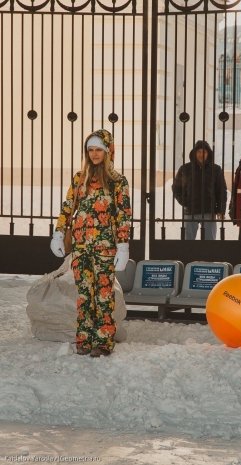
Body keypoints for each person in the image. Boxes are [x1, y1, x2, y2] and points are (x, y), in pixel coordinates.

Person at [50, 129, 132, 357]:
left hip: (105, 248)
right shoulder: (79, 179)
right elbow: (68, 208)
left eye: (99, 150)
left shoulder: (118, 182)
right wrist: (59, 233)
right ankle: (84, 339)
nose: (94, 154)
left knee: (103, 295)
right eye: (90, 150)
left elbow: (123, 216)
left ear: (108, 151)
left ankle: (103, 341)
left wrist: (123, 246)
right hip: (81, 248)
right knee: (85, 294)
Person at [172, 140, 227, 240]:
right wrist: (185, 201)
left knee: (209, 241)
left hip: (208, 211)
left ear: (208, 154)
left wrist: (221, 210)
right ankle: (187, 256)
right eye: (199, 152)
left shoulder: (216, 169)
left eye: (204, 152)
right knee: (188, 242)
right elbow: (176, 187)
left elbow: (221, 191)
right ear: (194, 153)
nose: (201, 154)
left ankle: (208, 256)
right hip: (190, 211)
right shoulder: (185, 169)